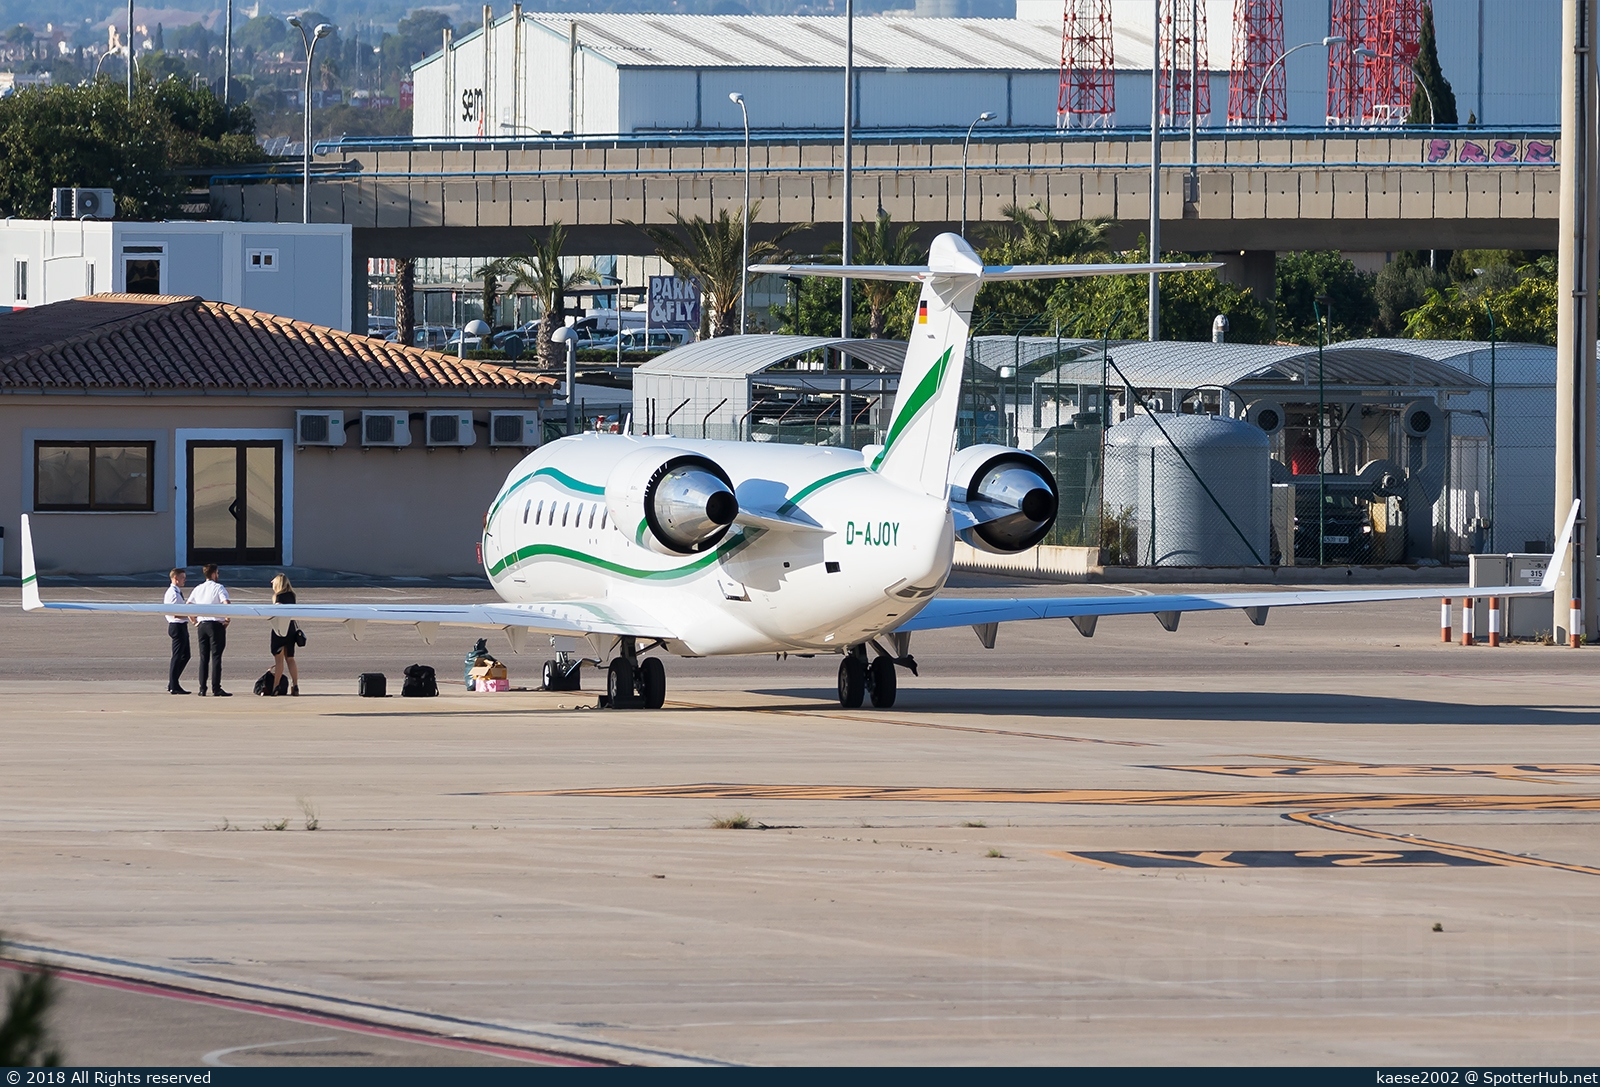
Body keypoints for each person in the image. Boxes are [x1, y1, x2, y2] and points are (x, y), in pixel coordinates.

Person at [188, 564, 232, 697]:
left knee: (203, 657)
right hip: (215, 624)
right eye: (217, 573)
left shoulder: (198, 588)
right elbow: (226, 603)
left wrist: (194, 621)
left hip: (202, 625)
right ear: (213, 574)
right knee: (216, 657)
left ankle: (202, 688)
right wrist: (227, 619)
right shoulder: (218, 587)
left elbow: (188, 605)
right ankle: (216, 687)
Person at [269, 573, 300, 697]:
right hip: (291, 628)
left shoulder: (278, 596)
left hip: (279, 629)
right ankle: (295, 685)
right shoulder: (292, 595)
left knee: (279, 659)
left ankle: (275, 686)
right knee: (290, 658)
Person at [164, 568, 191, 695]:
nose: (184, 580)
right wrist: (190, 616)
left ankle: (173, 682)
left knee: (186, 655)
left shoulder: (177, 591)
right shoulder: (172, 593)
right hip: (176, 626)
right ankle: (174, 685)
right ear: (176, 578)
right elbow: (174, 613)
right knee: (177, 656)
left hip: (181, 626)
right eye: (182, 578)